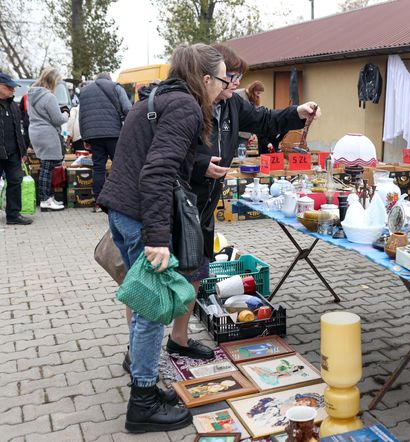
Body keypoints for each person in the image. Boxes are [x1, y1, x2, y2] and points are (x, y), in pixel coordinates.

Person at [161, 43, 320, 362]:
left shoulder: (233, 105)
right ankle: (141, 346)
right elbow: (166, 155)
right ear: (209, 77)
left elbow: (266, 120)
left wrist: (296, 113)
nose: (234, 83)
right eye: (230, 76)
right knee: (159, 273)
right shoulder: (187, 103)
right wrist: (198, 166)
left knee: (197, 269)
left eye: (236, 77)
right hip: (176, 199)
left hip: (205, 203)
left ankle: (179, 339)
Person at [97, 43, 226, 433]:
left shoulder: (154, 97)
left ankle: (145, 377)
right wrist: (157, 238)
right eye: (222, 80)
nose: (224, 88)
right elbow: (157, 172)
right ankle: (143, 402)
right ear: (204, 79)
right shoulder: (185, 105)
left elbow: (139, 157)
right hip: (140, 217)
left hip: (122, 212)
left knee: (141, 302)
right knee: (153, 309)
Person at [79, 72, 132, 212]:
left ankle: (98, 203)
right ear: (109, 78)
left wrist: (85, 137)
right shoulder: (116, 87)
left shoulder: (85, 91)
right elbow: (127, 109)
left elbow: (82, 116)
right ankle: (120, 199)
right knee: (120, 167)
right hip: (114, 133)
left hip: (94, 136)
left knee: (98, 168)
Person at [27, 68, 69, 211]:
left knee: (45, 165)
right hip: (47, 133)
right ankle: (45, 199)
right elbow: (57, 120)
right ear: (53, 81)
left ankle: (48, 197)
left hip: (35, 132)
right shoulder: (49, 97)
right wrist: (66, 114)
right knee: (48, 167)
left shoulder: (32, 94)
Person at [0, 72, 32, 225]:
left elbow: (19, 131)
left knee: (15, 182)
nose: (13, 90)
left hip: (13, 153)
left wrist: (23, 151)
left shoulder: (13, 105)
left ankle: (13, 215)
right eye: (9, 87)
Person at [236, 80, 265, 148]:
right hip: (236, 132)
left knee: (241, 155)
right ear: (253, 89)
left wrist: (253, 133)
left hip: (245, 134)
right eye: (257, 92)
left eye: (259, 93)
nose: (258, 95)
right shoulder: (238, 94)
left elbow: (254, 116)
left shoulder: (255, 98)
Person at [66, 81, 87, 152]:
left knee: (80, 160)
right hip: (92, 137)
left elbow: (71, 122)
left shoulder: (75, 109)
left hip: (79, 138)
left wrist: (68, 138)